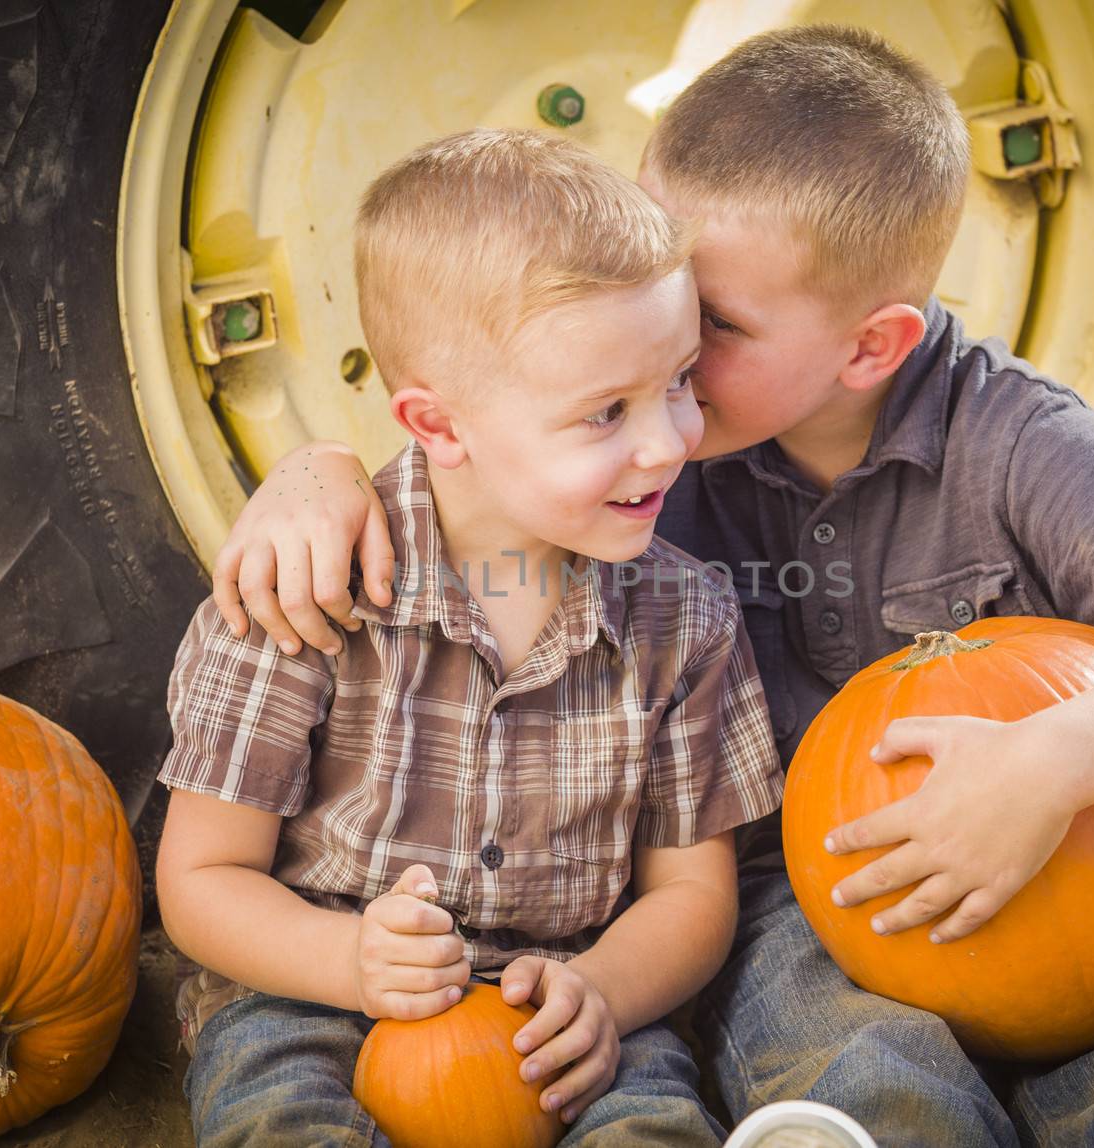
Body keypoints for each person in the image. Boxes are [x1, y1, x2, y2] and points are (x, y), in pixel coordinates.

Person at [213, 26, 1094, 1146]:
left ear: (869, 346)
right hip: (811, 892)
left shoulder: (1011, 438)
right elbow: (485, 440)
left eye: (712, 324)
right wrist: (317, 476)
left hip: (1090, 862)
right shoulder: (660, 450)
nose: (666, 352)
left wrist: (1055, 760)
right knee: (864, 1087)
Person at [155, 127, 787, 1147]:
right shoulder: (303, 593)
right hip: (313, 996)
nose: (669, 438)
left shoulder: (685, 619)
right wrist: (350, 958)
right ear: (439, 425)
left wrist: (605, 990)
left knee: (651, 1128)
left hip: (569, 1002)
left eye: (677, 380)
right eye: (604, 413)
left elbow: (691, 892)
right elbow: (199, 880)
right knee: (280, 1124)